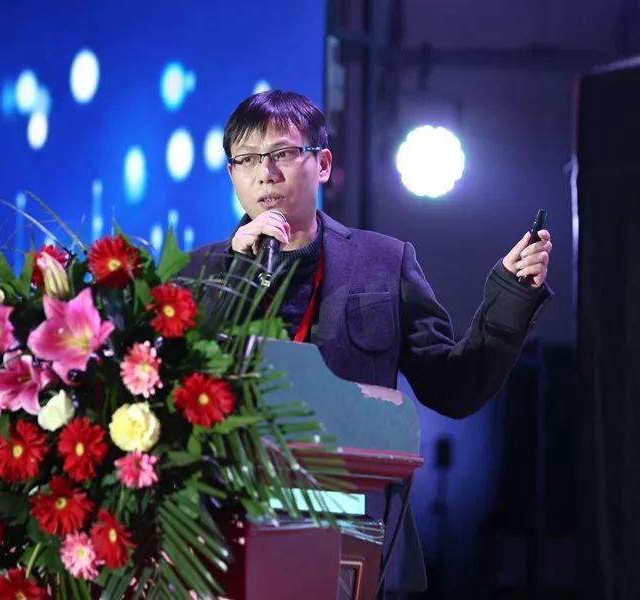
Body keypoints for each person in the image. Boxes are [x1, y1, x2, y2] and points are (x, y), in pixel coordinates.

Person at [183, 90, 553, 594]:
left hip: (348, 533)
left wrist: (509, 297)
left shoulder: (383, 262)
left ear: (323, 164)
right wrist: (237, 277)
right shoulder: (197, 275)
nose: (265, 173)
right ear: (232, 174)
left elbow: (454, 387)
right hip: (217, 530)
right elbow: (174, 393)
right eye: (246, 159)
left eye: (283, 153)